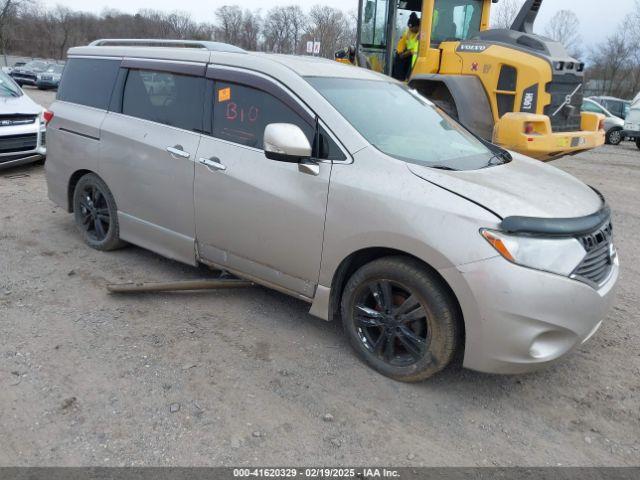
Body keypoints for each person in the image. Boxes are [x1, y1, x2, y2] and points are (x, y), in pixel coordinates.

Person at [393, 12, 421, 80]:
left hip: (416, 58)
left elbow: (416, 49)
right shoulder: (407, 32)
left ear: (417, 26)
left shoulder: (422, 33)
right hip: (408, 56)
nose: (410, 29)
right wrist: (401, 52)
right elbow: (401, 47)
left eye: (412, 28)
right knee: (398, 60)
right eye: (409, 27)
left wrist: (408, 52)